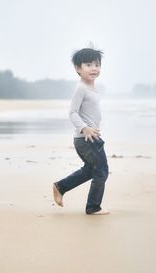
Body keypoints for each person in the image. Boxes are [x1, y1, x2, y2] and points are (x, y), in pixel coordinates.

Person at [53, 47, 109, 215]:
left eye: (97, 64)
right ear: (78, 68)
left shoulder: (91, 88)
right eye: (88, 64)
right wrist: (84, 128)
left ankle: (60, 186)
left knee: (91, 170)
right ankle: (93, 207)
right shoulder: (81, 88)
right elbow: (72, 112)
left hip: (90, 138)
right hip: (86, 139)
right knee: (101, 171)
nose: (94, 68)